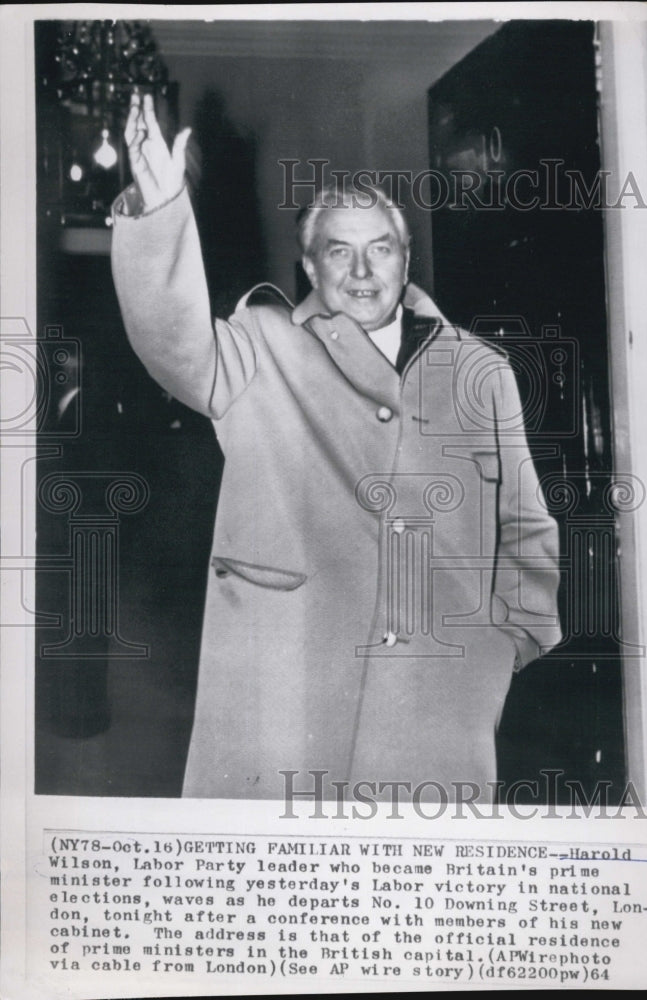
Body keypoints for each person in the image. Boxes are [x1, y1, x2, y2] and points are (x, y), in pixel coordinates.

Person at [111, 93, 561, 803]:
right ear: (310, 268)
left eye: (379, 248)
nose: (360, 271)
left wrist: (505, 648)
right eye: (337, 252)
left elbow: (526, 524)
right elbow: (173, 341)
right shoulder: (260, 345)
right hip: (284, 688)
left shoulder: (482, 371)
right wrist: (161, 209)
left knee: (418, 889)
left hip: (438, 699)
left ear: (404, 258)